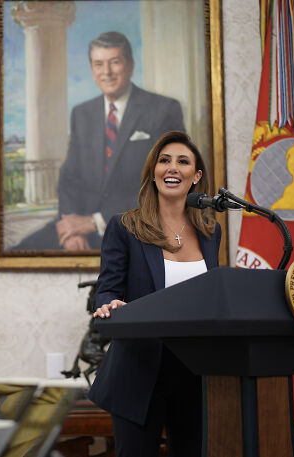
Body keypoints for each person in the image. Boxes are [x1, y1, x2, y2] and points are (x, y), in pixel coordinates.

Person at [89, 131, 221, 456]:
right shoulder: (125, 227)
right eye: (164, 160)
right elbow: (107, 288)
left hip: (195, 374)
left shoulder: (210, 231)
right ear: (153, 171)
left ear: (196, 176)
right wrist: (110, 304)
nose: (172, 168)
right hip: (139, 371)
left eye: (182, 161)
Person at [13, 31, 185, 251]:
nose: (107, 72)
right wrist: (70, 228)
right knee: (22, 251)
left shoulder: (163, 110)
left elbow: (167, 184)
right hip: (80, 225)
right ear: (92, 70)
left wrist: (95, 222)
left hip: (136, 228)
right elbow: (69, 178)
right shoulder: (82, 113)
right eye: (98, 64)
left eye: (115, 62)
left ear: (130, 66)